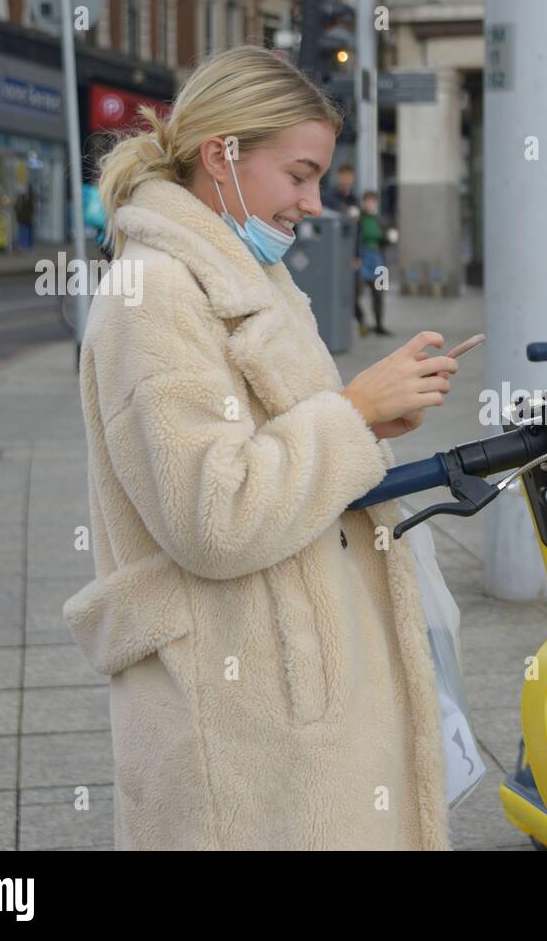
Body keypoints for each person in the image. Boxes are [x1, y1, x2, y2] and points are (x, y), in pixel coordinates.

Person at [66, 46, 460, 850]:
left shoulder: (235, 273)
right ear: (224, 156)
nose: (315, 203)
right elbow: (213, 513)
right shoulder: (158, 296)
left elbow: (261, 444)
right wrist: (351, 414)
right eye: (300, 174)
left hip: (276, 680)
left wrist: (370, 419)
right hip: (236, 700)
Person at [354, 189, 393, 336]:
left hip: (379, 260)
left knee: (379, 295)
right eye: (368, 201)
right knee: (356, 294)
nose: (370, 204)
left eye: (373, 201)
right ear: (363, 203)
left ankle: (379, 325)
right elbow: (355, 240)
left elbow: (385, 239)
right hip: (363, 259)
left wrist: (388, 239)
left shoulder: (380, 220)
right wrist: (355, 256)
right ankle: (362, 321)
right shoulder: (359, 220)